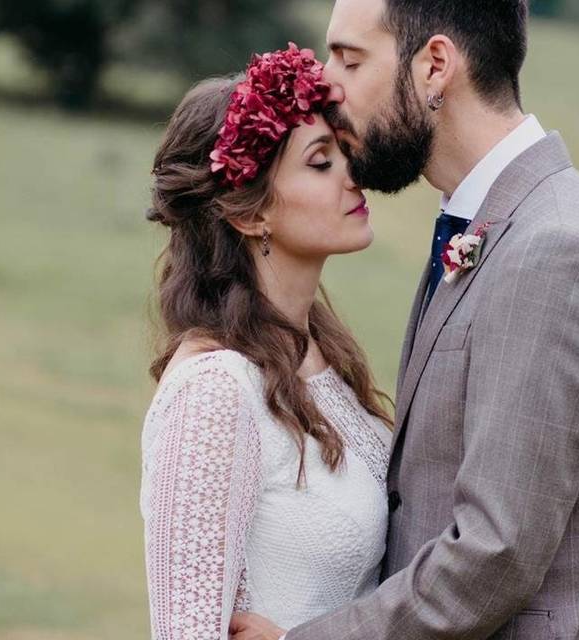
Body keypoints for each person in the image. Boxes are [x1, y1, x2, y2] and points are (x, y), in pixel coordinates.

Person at [230, 1, 579, 639]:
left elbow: (495, 553)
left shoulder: (555, 251)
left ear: (435, 66)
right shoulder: (492, 222)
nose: (324, 83)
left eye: (350, 58)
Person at [139, 44, 395, 640]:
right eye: (320, 162)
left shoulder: (322, 360)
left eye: (344, 152)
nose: (354, 175)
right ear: (250, 214)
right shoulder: (213, 394)